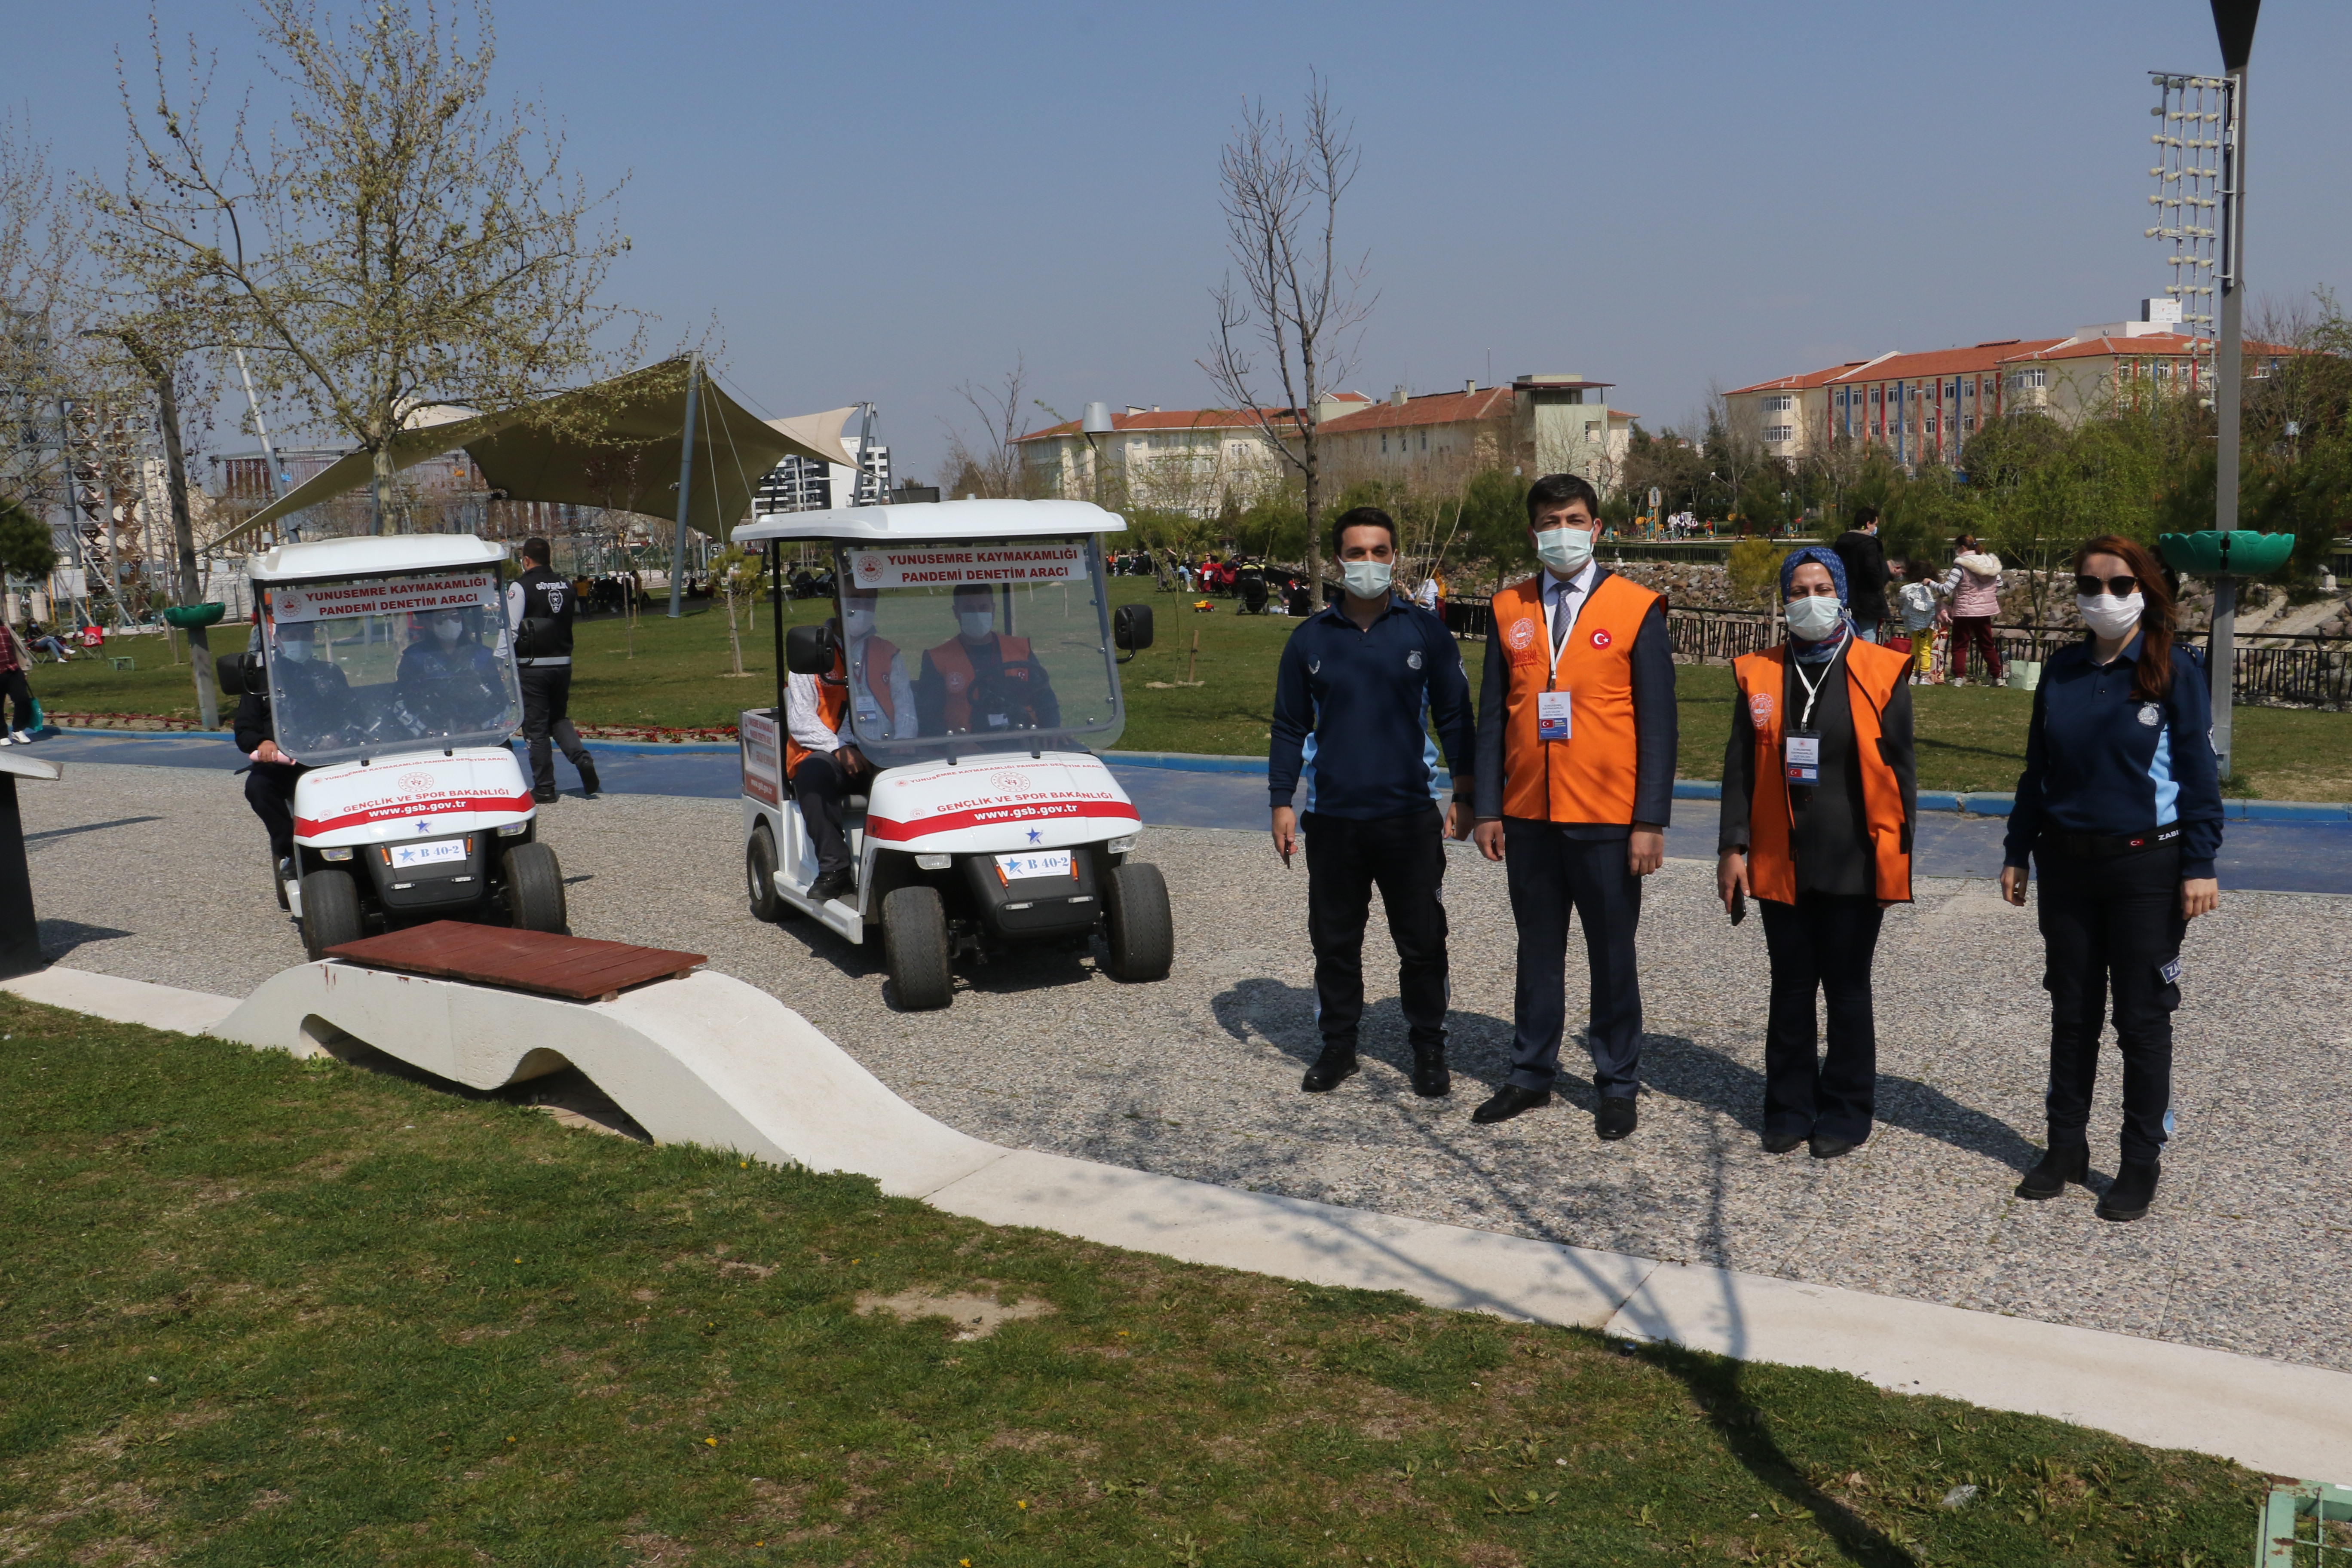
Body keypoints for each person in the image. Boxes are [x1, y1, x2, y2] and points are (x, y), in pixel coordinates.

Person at [1999, 536, 2222, 1223]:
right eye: (2091, 584)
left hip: (2145, 869)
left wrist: (2201, 862)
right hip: (2066, 866)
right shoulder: (2063, 670)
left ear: (2147, 591)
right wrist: (2017, 850)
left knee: (2142, 1020)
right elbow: (2037, 772)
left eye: (2121, 585)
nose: (2105, 597)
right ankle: (2064, 1148)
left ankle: (2138, 1161)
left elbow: (2198, 776)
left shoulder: (2173, 670)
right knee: (2072, 1014)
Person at [1471, 472, 1677, 1135]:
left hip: (1608, 818)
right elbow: (1492, 721)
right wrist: (1487, 808)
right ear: (1534, 531)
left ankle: (1617, 1083)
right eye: (1551, 520)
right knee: (1537, 953)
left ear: (1597, 527)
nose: (1564, 531)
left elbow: (1659, 724)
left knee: (1613, 955)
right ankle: (1530, 1074)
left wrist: (1650, 820)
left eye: (1576, 518)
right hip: (1529, 814)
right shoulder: (1509, 608)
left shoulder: (1637, 607)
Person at [1268, 506, 1475, 1099]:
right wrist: (1282, 800)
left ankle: (1429, 1046)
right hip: (1333, 821)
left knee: (1422, 941)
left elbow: (1455, 714)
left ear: (1394, 558)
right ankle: (1338, 1046)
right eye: (1355, 553)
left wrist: (1465, 790)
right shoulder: (1309, 639)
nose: (1367, 563)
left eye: (1378, 552)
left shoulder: (1424, 631)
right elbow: (1288, 726)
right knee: (1334, 943)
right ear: (1339, 561)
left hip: (1409, 817)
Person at [1719, 547, 1916, 1158]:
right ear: (1784, 603)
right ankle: (1789, 1106)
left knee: (1849, 990)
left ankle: (1848, 1109)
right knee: (1791, 987)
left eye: (1820, 586)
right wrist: (1733, 848)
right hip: (1781, 858)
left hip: (1855, 859)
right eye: (1798, 591)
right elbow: (1738, 769)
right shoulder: (1758, 673)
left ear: (1842, 596)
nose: (1810, 600)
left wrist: (1898, 856)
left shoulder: (1880, 669)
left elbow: (1902, 772)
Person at [786, 586, 915, 904]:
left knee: (914, 784)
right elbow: (800, 719)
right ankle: (835, 872)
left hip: (882, 750)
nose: (862, 608)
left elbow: (907, 709)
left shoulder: (888, 652)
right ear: (836, 603)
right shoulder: (811, 653)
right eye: (854, 600)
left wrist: (898, 746)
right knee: (812, 776)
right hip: (830, 752)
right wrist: (839, 748)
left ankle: (907, 867)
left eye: (868, 601)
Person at [236, 618, 352, 894]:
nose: (299, 640)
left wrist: (341, 736)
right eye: (291, 635)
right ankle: (290, 851)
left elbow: (352, 716)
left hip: (327, 760)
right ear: (277, 641)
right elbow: (244, 731)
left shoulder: (330, 673)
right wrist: (263, 742)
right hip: (284, 763)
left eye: (305, 634)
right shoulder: (262, 681)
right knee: (258, 788)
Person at [506, 536, 600, 804]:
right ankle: (582, 759)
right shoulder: (566, 584)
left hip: (533, 667)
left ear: (526, 560)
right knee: (558, 719)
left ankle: (545, 788)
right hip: (562, 663)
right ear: (550, 558)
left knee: (535, 728)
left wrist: (500, 660)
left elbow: (512, 628)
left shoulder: (520, 586)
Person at [915, 584, 1059, 736]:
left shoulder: (1020, 649)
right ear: (956, 612)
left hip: (1023, 738)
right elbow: (929, 717)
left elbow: (1045, 698)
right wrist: (956, 744)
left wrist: (1052, 730)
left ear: (993, 610)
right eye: (969, 609)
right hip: (965, 746)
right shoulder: (938, 658)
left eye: (983, 608)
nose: (977, 614)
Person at [396, 608, 511, 736]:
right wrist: (425, 731)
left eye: (455, 616)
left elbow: (502, 702)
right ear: (429, 624)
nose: (449, 622)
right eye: (442, 617)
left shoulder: (481, 655)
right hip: (430, 739)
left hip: (478, 737)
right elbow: (400, 703)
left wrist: (479, 726)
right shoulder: (415, 657)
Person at [1942, 536, 2006, 686]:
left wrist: (1930, 582)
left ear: (1962, 548)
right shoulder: (1990, 564)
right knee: (1987, 644)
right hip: (1984, 611)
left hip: (1965, 611)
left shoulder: (1960, 567)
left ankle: (1959, 677)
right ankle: (1998, 677)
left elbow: (1947, 589)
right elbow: (2000, 583)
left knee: (1960, 645)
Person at [1833, 505, 1892, 643]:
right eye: (1875, 524)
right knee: (1867, 639)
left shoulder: (1841, 542)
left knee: (1849, 638)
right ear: (1868, 524)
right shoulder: (1869, 544)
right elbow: (1872, 570)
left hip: (1846, 599)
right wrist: (1879, 587)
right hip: (1867, 601)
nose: (1876, 527)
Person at [1894, 558, 1947, 685]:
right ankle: (1925, 675)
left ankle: (1912, 674)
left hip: (1912, 625)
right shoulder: (1925, 589)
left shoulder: (1907, 589)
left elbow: (1902, 605)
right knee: (1925, 649)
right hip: (1925, 625)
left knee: (1915, 648)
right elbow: (1928, 607)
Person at [0, 620, 36, 744]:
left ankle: (18, 730)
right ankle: (2, 735)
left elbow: (17, 647)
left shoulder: (5, 626)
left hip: (13, 669)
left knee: (23, 699)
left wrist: (24, 669)